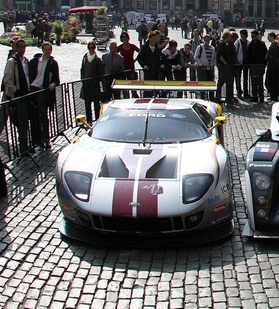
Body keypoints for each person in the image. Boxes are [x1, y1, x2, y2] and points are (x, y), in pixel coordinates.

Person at [29, 42, 60, 148]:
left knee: (44, 115)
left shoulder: (53, 63)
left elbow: (57, 79)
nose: (47, 51)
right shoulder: (34, 61)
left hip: (44, 91)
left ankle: (46, 139)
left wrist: (53, 84)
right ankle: (35, 139)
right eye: (45, 49)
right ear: (42, 50)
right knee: (34, 115)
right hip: (34, 89)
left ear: (51, 51)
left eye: (49, 49)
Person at [3, 39, 31, 154]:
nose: (22, 49)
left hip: (24, 95)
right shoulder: (12, 61)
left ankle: (24, 145)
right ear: (16, 48)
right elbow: (7, 80)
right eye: (20, 47)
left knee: (23, 120)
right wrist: (16, 90)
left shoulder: (25, 61)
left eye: (24, 47)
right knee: (4, 118)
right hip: (13, 96)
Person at [79, 41, 103, 123]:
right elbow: (82, 69)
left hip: (95, 85)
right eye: (90, 47)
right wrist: (83, 79)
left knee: (96, 103)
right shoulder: (85, 57)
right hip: (86, 84)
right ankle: (89, 119)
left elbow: (101, 73)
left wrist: (96, 81)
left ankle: (97, 119)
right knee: (87, 103)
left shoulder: (98, 59)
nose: (91, 49)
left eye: (93, 48)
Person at [137, 31, 161, 97]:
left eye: (155, 39)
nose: (155, 40)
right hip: (148, 71)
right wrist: (144, 65)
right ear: (149, 39)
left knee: (156, 88)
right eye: (153, 39)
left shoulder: (157, 48)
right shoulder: (144, 47)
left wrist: (160, 64)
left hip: (155, 71)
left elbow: (158, 58)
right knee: (148, 89)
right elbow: (139, 58)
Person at [117, 31, 140, 98]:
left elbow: (140, 52)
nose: (124, 38)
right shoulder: (120, 47)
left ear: (128, 38)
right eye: (123, 37)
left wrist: (135, 60)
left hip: (131, 68)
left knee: (132, 85)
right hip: (123, 69)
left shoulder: (132, 46)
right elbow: (115, 54)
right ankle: (126, 98)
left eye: (125, 36)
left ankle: (135, 97)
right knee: (125, 86)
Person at [247, 29, 267, 103]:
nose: (252, 37)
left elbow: (265, 55)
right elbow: (248, 55)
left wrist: (264, 64)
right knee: (253, 82)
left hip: (259, 65)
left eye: (254, 36)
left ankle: (261, 97)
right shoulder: (251, 44)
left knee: (260, 82)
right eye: (251, 36)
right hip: (252, 66)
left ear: (257, 36)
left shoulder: (261, 44)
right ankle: (254, 96)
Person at [194, 34, 216, 100]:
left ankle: (211, 97)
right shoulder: (200, 47)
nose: (207, 41)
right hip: (202, 68)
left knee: (210, 82)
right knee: (202, 83)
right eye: (206, 40)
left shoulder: (212, 48)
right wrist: (200, 64)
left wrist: (213, 64)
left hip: (210, 68)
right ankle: (202, 96)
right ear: (204, 40)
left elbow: (214, 57)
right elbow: (196, 56)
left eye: (208, 40)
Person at [215, 31, 235, 105]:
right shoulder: (221, 44)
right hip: (222, 65)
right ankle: (218, 97)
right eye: (230, 37)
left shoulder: (226, 44)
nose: (231, 39)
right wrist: (225, 63)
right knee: (222, 81)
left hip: (224, 65)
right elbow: (220, 55)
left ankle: (225, 97)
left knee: (223, 81)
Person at [234, 29, 250, 98]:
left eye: (243, 34)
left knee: (245, 78)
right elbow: (235, 52)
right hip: (239, 63)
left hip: (245, 63)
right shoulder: (237, 42)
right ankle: (239, 91)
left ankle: (246, 92)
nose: (242, 36)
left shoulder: (248, 43)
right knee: (238, 78)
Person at [265, 32, 279, 102]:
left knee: (270, 82)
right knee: (271, 82)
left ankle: (273, 97)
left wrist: (268, 57)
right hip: (273, 66)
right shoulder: (275, 45)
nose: (267, 38)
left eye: (268, 36)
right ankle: (273, 96)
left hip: (273, 67)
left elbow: (268, 56)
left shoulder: (274, 46)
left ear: (272, 37)